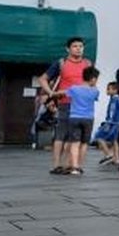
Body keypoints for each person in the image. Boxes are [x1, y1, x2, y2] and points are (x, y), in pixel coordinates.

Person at [39, 37, 94, 174]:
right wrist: (51, 93)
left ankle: (71, 164)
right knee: (61, 135)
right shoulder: (61, 63)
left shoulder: (88, 63)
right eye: (75, 46)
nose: (78, 49)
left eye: (81, 46)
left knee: (76, 137)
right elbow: (43, 79)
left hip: (82, 106)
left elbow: (92, 83)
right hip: (65, 104)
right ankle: (57, 165)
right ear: (68, 49)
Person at [57, 66, 100, 176]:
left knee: (75, 143)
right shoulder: (95, 91)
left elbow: (64, 93)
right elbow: (95, 97)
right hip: (88, 118)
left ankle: (74, 166)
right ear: (93, 79)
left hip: (74, 117)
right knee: (84, 143)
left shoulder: (74, 89)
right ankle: (79, 166)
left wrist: (53, 93)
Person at [93, 81, 119, 165]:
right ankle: (117, 159)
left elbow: (112, 111)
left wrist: (108, 122)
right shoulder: (117, 99)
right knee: (114, 140)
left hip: (112, 123)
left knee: (99, 136)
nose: (107, 91)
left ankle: (108, 154)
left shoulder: (114, 99)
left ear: (115, 90)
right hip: (118, 123)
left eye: (108, 89)